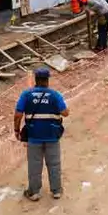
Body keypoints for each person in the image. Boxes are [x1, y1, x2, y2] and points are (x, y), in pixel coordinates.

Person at [15, 67, 69, 201]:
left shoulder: (26, 94)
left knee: (34, 164)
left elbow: (18, 115)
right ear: (47, 80)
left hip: (34, 136)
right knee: (54, 164)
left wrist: (16, 130)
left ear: (36, 79)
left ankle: (33, 192)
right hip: (52, 135)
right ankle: (56, 191)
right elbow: (65, 113)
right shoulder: (55, 95)